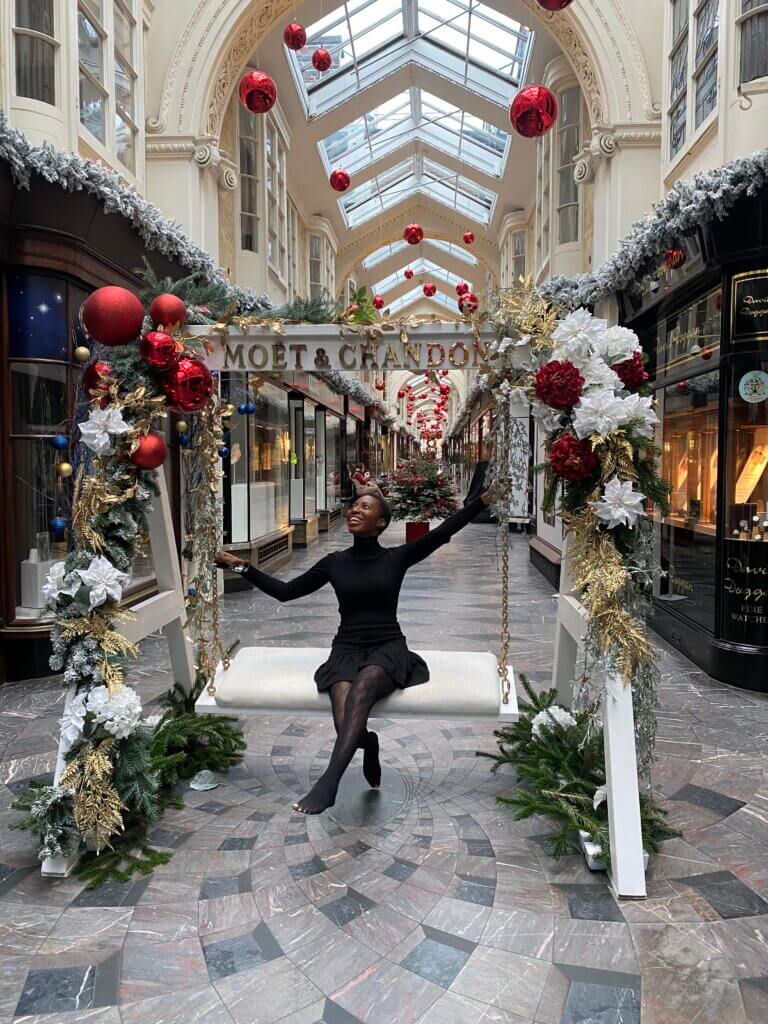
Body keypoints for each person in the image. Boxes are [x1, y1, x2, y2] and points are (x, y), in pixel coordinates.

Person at [215, 487, 492, 814]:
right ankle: (369, 743)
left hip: (388, 647)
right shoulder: (334, 563)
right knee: (345, 722)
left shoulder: (397, 558)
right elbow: (286, 592)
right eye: (353, 507)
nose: (354, 511)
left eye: (365, 507)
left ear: (381, 523)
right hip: (346, 649)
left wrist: (481, 503)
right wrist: (240, 566)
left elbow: (444, 531)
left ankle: (327, 784)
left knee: (365, 684)